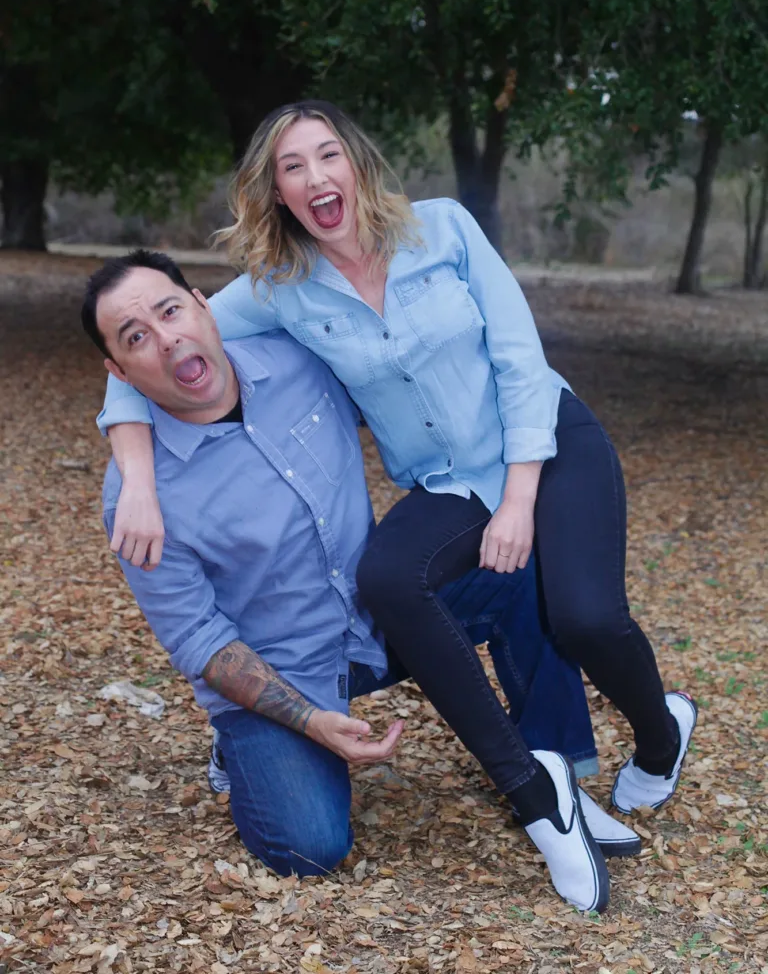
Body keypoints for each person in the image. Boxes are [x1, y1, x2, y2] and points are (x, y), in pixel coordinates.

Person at [98, 101, 697, 904]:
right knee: (385, 591)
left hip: (542, 441)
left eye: (326, 156)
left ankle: (635, 749)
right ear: (275, 193)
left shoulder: (443, 229)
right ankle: (531, 793)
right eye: (291, 167)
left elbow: (520, 359)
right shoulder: (281, 290)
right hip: (442, 486)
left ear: (357, 163)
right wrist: (136, 474)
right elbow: (149, 346)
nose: (315, 178)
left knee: (579, 613)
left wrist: (519, 500)